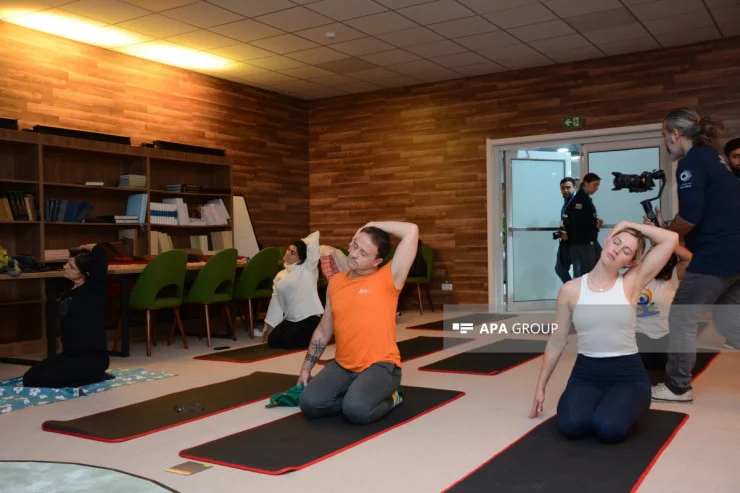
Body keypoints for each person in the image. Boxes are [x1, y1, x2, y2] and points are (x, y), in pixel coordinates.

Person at [529, 220, 678, 442]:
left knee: (608, 428)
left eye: (626, 250)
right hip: (586, 373)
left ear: (631, 261)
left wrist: (628, 224)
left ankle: (626, 403)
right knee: (572, 425)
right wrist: (541, 387)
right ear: (607, 240)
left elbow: (671, 239)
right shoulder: (570, 290)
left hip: (627, 375)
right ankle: (605, 402)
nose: (616, 250)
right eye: (615, 242)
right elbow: (557, 341)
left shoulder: (631, 283)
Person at [652, 108, 740, 403]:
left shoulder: (691, 162)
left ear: (676, 134)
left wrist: (666, 232)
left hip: (717, 255)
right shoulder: (712, 156)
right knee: (729, 319)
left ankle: (678, 387)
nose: (667, 142)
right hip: (734, 253)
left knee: (682, 315)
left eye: (666, 135)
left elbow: (690, 216)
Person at [297, 221, 419, 425]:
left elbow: (412, 231)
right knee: (309, 403)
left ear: (376, 261)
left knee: (357, 410)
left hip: (381, 366)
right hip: (343, 365)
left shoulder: (389, 278)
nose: (353, 254)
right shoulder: (335, 283)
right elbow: (324, 329)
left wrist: (371, 224)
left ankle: (393, 397)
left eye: (363, 253)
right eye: (354, 246)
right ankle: (353, 397)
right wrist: (306, 368)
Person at [23, 244, 110, 388]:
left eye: (71, 266)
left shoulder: (94, 291)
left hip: (93, 358)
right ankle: (85, 376)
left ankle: (94, 377)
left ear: (85, 275)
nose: (65, 267)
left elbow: (100, 250)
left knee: (47, 380)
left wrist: (82, 247)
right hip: (70, 356)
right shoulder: (68, 292)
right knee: (30, 378)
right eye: (67, 263)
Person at [635, 238, 693, 370]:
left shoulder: (673, 277)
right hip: (640, 334)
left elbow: (689, 258)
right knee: (639, 364)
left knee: (669, 364)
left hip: (666, 334)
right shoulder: (636, 276)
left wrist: (668, 243)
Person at [262, 231, 324, 349]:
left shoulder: (308, 268)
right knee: (273, 340)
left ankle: (318, 335)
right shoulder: (281, 274)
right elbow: (276, 300)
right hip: (291, 319)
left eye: (293, 252)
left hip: (309, 319)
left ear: (300, 258)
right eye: (288, 250)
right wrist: (269, 324)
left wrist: (302, 243)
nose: (288, 253)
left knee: (287, 341)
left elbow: (315, 237)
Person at [563, 173, 604, 277]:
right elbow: (576, 221)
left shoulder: (585, 198)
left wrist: (595, 220)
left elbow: (584, 217)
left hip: (589, 240)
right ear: (586, 183)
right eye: (595, 185)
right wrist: (594, 224)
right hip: (582, 241)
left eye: (598, 185)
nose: (597, 188)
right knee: (586, 272)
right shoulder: (579, 199)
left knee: (601, 262)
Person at [555, 177, 577, 283]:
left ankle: (576, 294)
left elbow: (584, 223)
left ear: (574, 188)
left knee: (579, 272)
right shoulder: (566, 201)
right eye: (563, 188)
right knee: (560, 269)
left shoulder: (579, 202)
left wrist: (570, 234)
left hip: (577, 243)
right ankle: (572, 291)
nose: (565, 190)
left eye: (568, 187)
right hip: (565, 241)